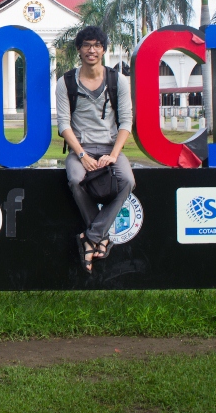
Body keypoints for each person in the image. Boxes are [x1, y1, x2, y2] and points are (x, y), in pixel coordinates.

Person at [56, 26, 135, 273]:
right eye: (87, 45)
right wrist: (81, 155)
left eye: (97, 45)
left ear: (103, 49)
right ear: (79, 49)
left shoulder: (117, 80)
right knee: (76, 179)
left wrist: (113, 155)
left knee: (128, 181)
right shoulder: (66, 81)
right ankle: (98, 238)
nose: (92, 50)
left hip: (110, 147)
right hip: (81, 148)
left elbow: (126, 122)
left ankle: (91, 237)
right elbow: (63, 125)